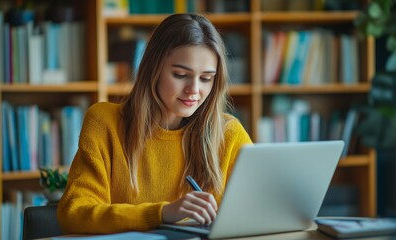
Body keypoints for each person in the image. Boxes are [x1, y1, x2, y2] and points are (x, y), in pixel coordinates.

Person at [57, 13, 252, 234]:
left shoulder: (229, 133)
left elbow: (265, 209)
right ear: (153, 69)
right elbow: (75, 212)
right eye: (180, 74)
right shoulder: (105, 122)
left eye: (206, 78)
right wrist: (161, 213)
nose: (194, 90)